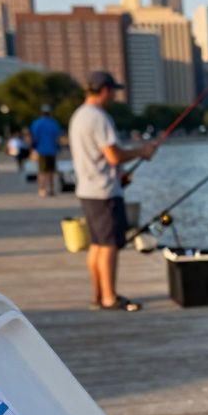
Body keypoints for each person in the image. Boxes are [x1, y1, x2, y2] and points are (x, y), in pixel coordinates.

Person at [68, 71, 157, 311]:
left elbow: (99, 158)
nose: (115, 95)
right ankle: (109, 298)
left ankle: (98, 295)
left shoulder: (78, 116)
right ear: (105, 90)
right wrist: (141, 151)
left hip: (87, 188)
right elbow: (113, 155)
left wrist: (118, 175)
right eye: (114, 90)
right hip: (103, 192)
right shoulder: (99, 117)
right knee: (109, 245)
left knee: (97, 244)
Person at [30, 104, 64, 197]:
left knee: (41, 171)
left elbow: (34, 138)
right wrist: (58, 148)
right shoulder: (54, 123)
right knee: (51, 171)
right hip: (52, 150)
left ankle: (42, 190)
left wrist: (33, 148)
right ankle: (51, 190)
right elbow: (58, 138)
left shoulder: (37, 123)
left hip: (41, 150)